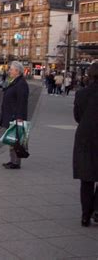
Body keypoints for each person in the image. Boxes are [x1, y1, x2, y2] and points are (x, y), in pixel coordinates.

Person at [73, 62, 98, 227]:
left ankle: (85, 216)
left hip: (85, 138)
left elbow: (77, 116)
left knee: (86, 179)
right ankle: (95, 209)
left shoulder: (81, 93)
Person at [0, 61, 29, 169]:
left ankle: (16, 163)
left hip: (16, 116)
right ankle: (12, 161)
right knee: (12, 140)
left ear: (17, 71)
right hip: (11, 114)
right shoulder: (15, 81)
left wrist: (19, 118)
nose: (9, 71)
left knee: (15, 140)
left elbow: (22, 102)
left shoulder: (21, 84)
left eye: (11, 69)